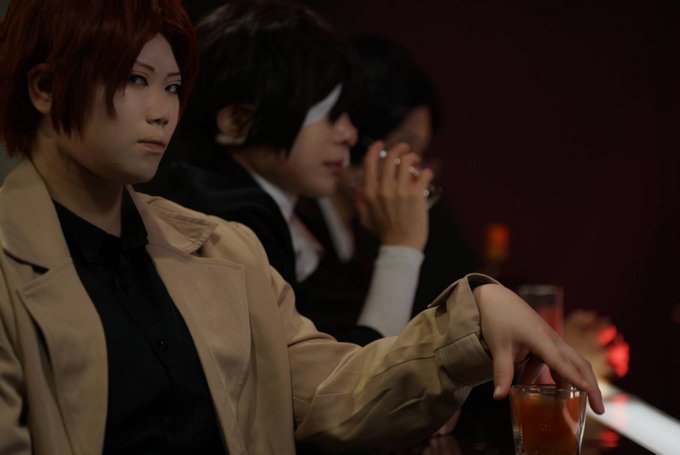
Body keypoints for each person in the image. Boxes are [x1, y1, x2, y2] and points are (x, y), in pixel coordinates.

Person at [0, 1, 603, 454]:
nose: (162, 111)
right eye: (135, 80)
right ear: (45, 88)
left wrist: (475, 317)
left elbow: (332, 390)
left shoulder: (224, 248)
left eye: (173, 87)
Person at [149, 0, 432, 345]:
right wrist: (401, 247)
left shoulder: (258, 205)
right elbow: (342, 375)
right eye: (330, 114)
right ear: (239, 121)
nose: (350, 134)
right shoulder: (233, 219)